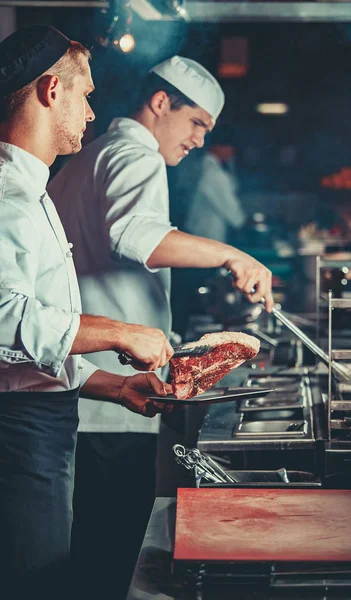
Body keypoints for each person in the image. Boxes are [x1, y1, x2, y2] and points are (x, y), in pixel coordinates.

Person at [49, 55, 275, 599]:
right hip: (110, 404)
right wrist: (231, 256)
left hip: (80, 390)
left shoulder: (93, 155)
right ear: (159, 103)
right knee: (105, 568)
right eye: (196, 122)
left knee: (81, 566)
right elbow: (135, 234)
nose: (199, 139)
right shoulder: (135, 154)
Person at [0, 25, 174, 600]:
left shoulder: (35, 190)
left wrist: (116, 389)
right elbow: (6, 320)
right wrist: (120, 331)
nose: (92, 113)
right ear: (52, 91)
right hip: (18, 435)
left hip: (43, 425)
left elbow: (31, 355)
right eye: (86, 95)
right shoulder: (6, 194)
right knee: (33, 586)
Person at [184, 124, 246, 243]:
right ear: (219, 147)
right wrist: (244, 223)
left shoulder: (202, 166)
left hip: (197, 231)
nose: (231, 153)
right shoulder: (215, 174)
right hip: (207, 234)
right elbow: (233, 212)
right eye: (230, 148)